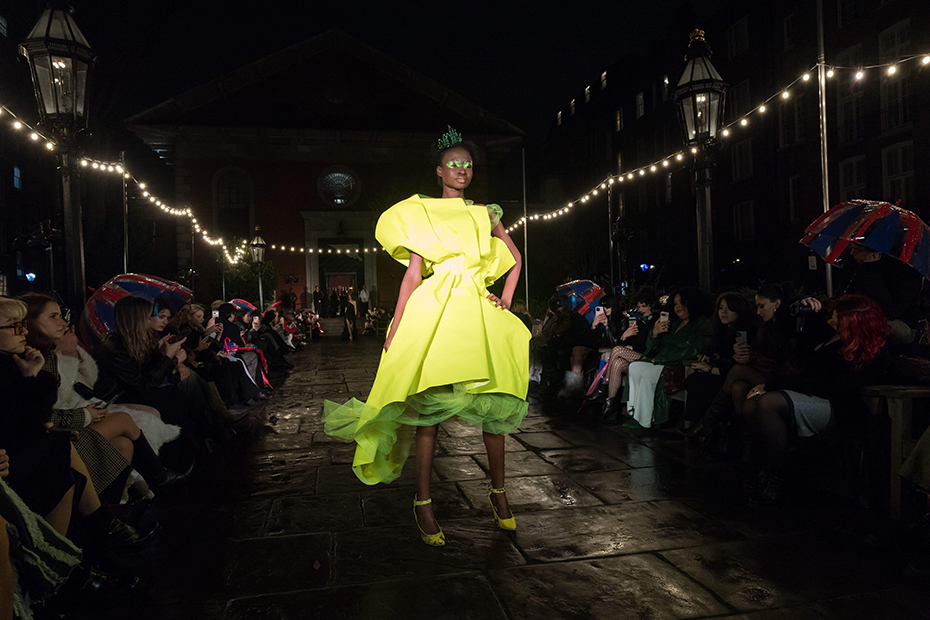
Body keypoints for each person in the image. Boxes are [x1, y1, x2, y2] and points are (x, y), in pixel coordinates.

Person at [323, 126, 529, 546]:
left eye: (468, 165)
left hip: (475, 305)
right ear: (439, 171)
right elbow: (413, 273)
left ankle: (499, 494)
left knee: (496, 399)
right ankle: (423, 501)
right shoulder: (424, 213)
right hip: (435, 308)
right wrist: (396, 323)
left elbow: (515, 256)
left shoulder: (484, 213)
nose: (461, 170)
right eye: (453, 164)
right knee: (427, 407)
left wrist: (506, 299)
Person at [741, 295, 889, 506]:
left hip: (836, 407)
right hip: (811, 396)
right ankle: (760, 466)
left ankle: (780, 477)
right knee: (751, 405)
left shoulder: (872, 349)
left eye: (836, 318)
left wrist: (774, 384)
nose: (831, 320)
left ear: (851, 321)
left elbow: (833, 387)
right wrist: (801, 305)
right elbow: (789, 331)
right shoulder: (829, 333)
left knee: (768, 402)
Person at [626, 288, 713, 429]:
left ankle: (645, 419)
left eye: (681, 303)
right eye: (675, 303)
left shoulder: (702, 324)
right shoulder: (674, 323)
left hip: (677, 365)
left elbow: (695, 349)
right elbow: (653, 348)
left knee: (648, 374)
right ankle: (635, 413)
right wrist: (655, 333)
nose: (678, 307)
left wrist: (664, 359)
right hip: (661, 361)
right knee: (634, 367)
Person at [679, 292, 754, 433]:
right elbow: (725, 355)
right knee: (695, 379)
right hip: (726, 371)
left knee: (701, 381)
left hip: (736, 375)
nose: (723, 312)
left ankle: (704, 427)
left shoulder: (743, 330)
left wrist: (710, 369)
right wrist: (713, 357)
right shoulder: (723, 330)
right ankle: (698, 426)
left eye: (729, 308)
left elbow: (738, 364)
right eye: (720, 308)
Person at [600, 287, 659, 420]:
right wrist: (626, 337)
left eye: (643, 306)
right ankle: (610, 405)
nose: (640, 309)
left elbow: (649, 344)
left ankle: (604, 385)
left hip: (651, 358)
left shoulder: (657, 320)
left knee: (617, 350)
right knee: (617, 363)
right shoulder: (639, 321)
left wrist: (630, 344)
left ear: (652, 305)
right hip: (637, 357)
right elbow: (635, 341)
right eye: (639, 306)